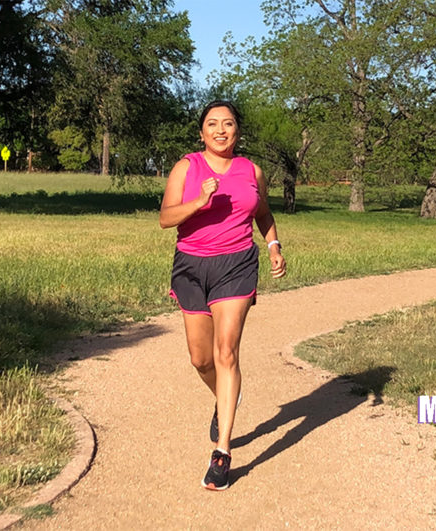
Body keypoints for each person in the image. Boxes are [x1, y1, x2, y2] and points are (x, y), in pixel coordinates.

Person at [159, 100, 286, 491]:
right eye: (212, 124)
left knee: (226, 353)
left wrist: (274, 245)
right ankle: (226, 397)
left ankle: (223, 451)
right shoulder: (187, 167)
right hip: (192, 267)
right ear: (201, 133)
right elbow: (165, 219)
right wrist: (198, 201)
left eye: (227, 123)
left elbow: (261, 213)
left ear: (237, 131)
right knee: (201, 359)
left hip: (237, 264)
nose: (220, 130)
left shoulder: (252, 171)